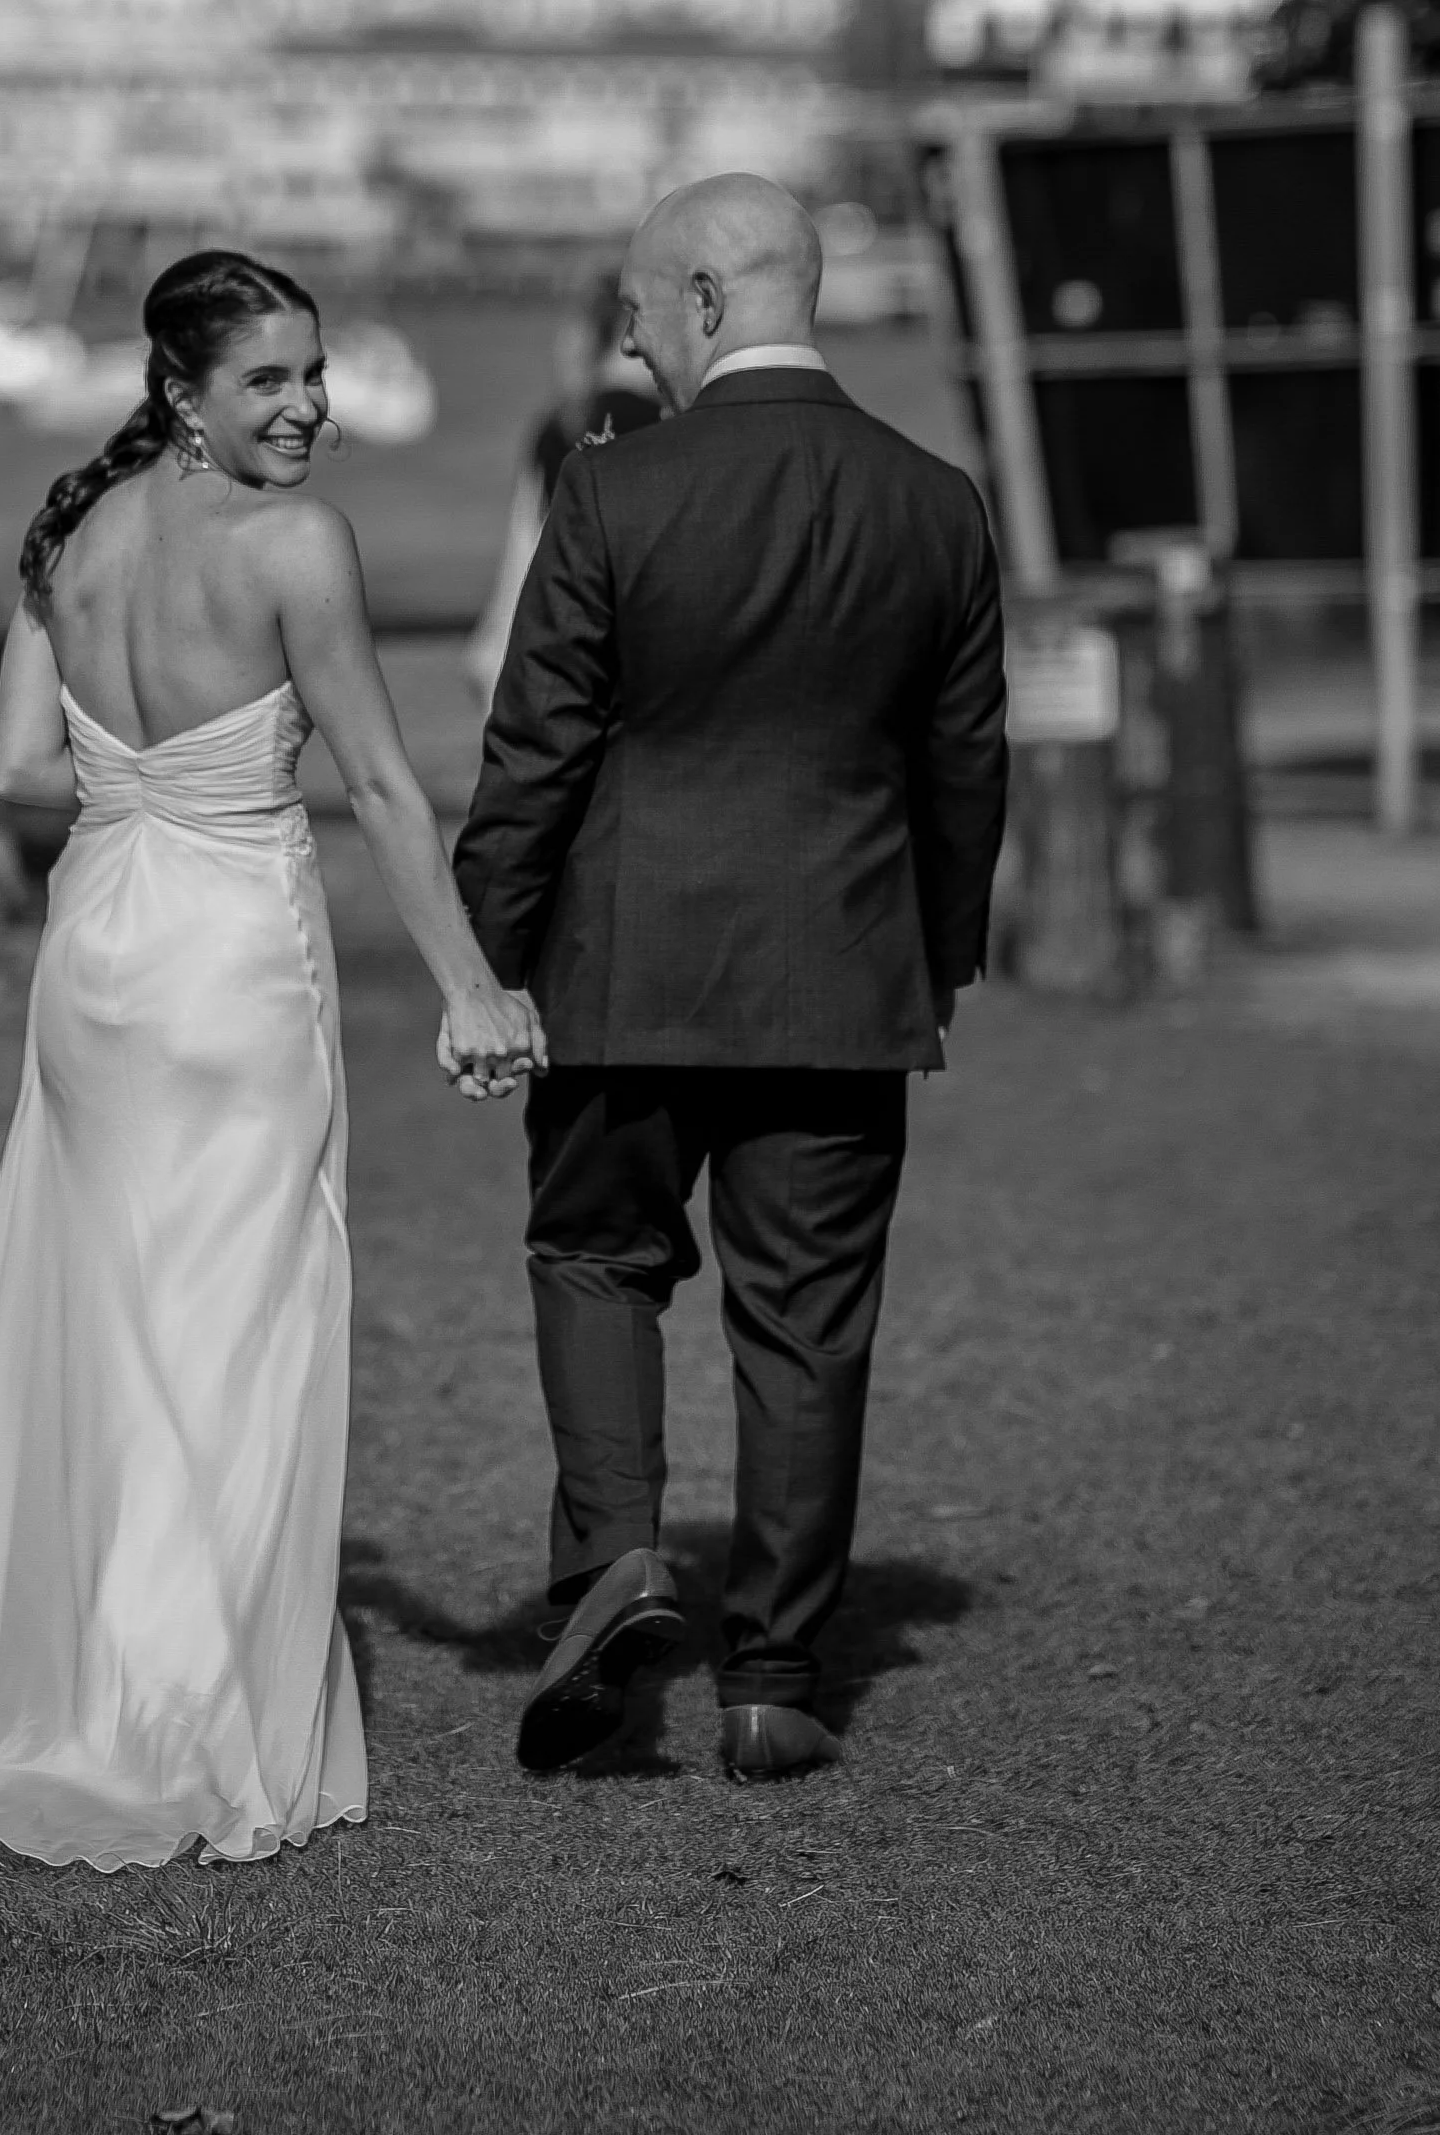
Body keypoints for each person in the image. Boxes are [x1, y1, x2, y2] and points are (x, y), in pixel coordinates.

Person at [0, 249, 543, 1871]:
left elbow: (13, 763)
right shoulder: (297, 542)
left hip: (94, 958)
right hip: (225, 964)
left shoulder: (71, 532)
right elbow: (383, 789)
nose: (309, 405)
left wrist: (143, 786)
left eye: (314, 372)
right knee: (239, 1325)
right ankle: (178, 1713)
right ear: (184, 394)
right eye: (269, 380)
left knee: (113, 1319)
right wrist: (471, 988)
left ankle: (82, 1679)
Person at [453, 175, 1007, 1785]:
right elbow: (966, 767)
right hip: (842, 979)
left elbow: (534, 754)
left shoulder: (609, 492)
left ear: (704, 298)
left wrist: (488, 963)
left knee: (593, 1255)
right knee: (809, 1324)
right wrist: (934, 959)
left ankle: (617, 1556)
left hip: (622, 971)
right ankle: (771, 1683)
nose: (632, 343)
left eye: (640, 310)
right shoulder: (939, 502)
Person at [463, 273, 662, 711]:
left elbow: (528, 547)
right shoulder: (670, 424)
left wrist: (493, 645)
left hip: (559, 664)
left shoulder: (567, 426)